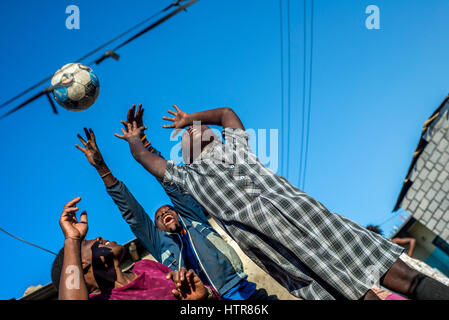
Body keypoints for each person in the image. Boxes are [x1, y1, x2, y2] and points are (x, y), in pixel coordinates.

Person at [114, 104, 449, 300]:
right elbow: (150, 162)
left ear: (214, 137)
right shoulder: (190, 180)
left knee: (406, 279)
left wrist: (189, 118)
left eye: (201, 130)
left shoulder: (234, 150)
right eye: (190, 136)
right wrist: (135, 142)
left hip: (315, 222)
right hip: (286, 249)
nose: (194, 132)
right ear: (185, 159)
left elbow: (226, 112)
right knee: (361, 297)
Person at [74, 105, 273, 300]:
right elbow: (132, 214)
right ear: (156, 228)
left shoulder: (194, 220)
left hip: (241, 293)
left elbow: (170, 182)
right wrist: (102, 168)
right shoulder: (160, 245)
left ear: (179, 212)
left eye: (168, 210)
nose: (163, 214)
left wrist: (142, 141)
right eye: (158, 217)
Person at [51, 197, 218, 300]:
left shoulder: (146, 266)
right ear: (81, 264)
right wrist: (72, 240)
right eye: (86, 242)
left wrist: (204, 296)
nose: (98, 238)